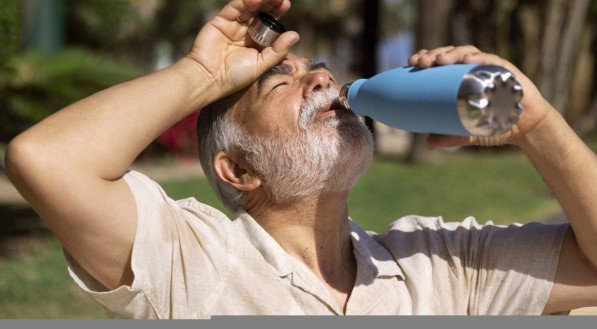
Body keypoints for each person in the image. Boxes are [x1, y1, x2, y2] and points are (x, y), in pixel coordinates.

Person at [5, 0, 596, 318]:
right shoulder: (191, 262)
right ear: (239, 170)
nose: (320, 76)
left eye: (316, 69)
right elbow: (46, 160)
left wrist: (537, 126)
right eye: (277, 83)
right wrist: (202, 74)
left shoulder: (440, 264)